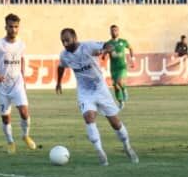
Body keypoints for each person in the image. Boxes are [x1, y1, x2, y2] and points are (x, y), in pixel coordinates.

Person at [56, 27, 138, 166]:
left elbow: (109, 45)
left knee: (115, 123)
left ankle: (127, 146)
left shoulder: (88, 46)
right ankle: (100, 152)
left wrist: (104, 50)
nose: (65, 44)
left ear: (75, 38)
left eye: (67, 40)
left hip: (101, 89)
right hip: (84, 92)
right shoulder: (64, 55)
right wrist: (58, 82)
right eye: (62, 41)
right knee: (88, 117)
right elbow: (61, 66)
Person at [0, 13, 36, 153]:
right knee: (6, 118)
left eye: (16, 27)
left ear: (19, 28)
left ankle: (26, 136)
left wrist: (23, 76)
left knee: (24, 112)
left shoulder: (21, 44)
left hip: (17, 84)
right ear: (5, 27)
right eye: (11, 26)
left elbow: (21, 58)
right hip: (2, 87)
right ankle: (10, 142)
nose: (13, 29)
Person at [104, 24, 134, 107]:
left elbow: (130, 48)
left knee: (119, 81)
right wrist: (104, 56)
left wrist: (133, 59)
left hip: (122, 66)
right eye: (112, 30)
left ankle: (124, 89)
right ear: (110, 32)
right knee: (115, 86)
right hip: (113, 67)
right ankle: (121, 102)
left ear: (118, 31)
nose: (114, 32)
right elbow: (105, 52)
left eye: (115, 30)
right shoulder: (108, 43)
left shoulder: (123, 41)